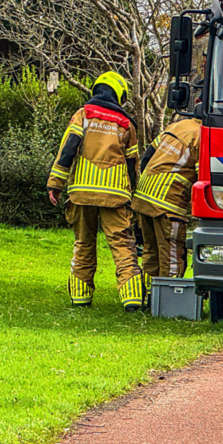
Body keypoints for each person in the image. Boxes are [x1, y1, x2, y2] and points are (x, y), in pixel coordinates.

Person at [47, 72, 145, 311]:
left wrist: (55, 183)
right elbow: (133, 164)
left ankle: (80, 299)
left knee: (83, 243)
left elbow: (68, 148)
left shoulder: (83, 115)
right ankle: (132, 300)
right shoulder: (126, 124)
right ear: (118, 95)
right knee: (123, 245)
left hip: (82, 193)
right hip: (115, 195)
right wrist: (132, 195)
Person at [131, 115, 201, 283]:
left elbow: (147, 157)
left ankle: (150, 296)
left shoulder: (176, 126)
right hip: (169, 202)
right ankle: (170, 300)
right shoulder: (203, 136)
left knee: (151, 250)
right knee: (171, 255)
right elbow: (204, 177)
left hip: (144, 195)